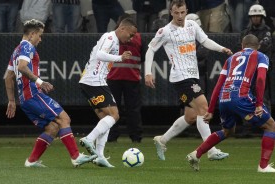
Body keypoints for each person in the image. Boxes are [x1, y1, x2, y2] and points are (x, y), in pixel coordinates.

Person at [145, 0, 232, 161]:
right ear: (171, 12)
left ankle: (162, 139)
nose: (180, 16)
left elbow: (205, 41)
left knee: (191, 116)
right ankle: (211, 150)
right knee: (204, 108)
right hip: (180, 77)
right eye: (176, 12)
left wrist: (222, 48)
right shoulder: (165, 31)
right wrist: (148, 73)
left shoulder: (192, 25)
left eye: (182, 12)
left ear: (186, 11)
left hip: (193, 75)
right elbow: (151, 49)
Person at [4, 19, 97, 168]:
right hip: (34, 94)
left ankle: (32, 161)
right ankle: (76, 156)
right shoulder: (27, 46)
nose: (40, 39)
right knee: (64, 118)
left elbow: (8, 77)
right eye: (40, 35)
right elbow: (22, 67)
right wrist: (40, 82)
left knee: (52, 128)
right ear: (32, 34)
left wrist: (11, 100)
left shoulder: (16, 50)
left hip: (25, 99)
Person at [187, 34, 275, 173]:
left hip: (225, 98)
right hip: (242, 97)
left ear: (242, 46)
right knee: (271, 126)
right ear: (257, 46)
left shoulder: (230, 58)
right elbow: (260, 80)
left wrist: (210, 109)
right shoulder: (261, 56)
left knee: (228, 131)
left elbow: (218, 84)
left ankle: (196, 154)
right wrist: (259, 103)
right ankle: (263, 166)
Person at [79, 18, 137, 167]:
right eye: (130, 35)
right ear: (122, 28)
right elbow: (100, 55)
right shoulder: (110, 37)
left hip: (91, 81)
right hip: (94, 80)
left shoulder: (115, 41)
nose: (130, 39)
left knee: (106, 119)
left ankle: (99, 156)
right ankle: (89, 139)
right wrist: (120, 57)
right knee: (115, 115)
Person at [236, 4, 273, 138]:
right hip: (247, 71)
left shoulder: (267, 31)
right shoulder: (245, 32)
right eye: (253, 16)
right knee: (245, 97)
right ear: (250, 18)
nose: (256, 18)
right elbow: (239, 48)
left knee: (263, 98)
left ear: (262, 17)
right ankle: (247, 128)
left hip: (262, 70)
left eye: (258, 16)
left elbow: (264, 48)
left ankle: (266, 126)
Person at [107, 14, 144, 143]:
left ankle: (112, 136)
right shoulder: (139, 38)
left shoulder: (110, 37)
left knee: (112, 108)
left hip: (114, 78)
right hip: (131, 78)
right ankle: (136, 137)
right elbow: (142, 58)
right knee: (133, 109)